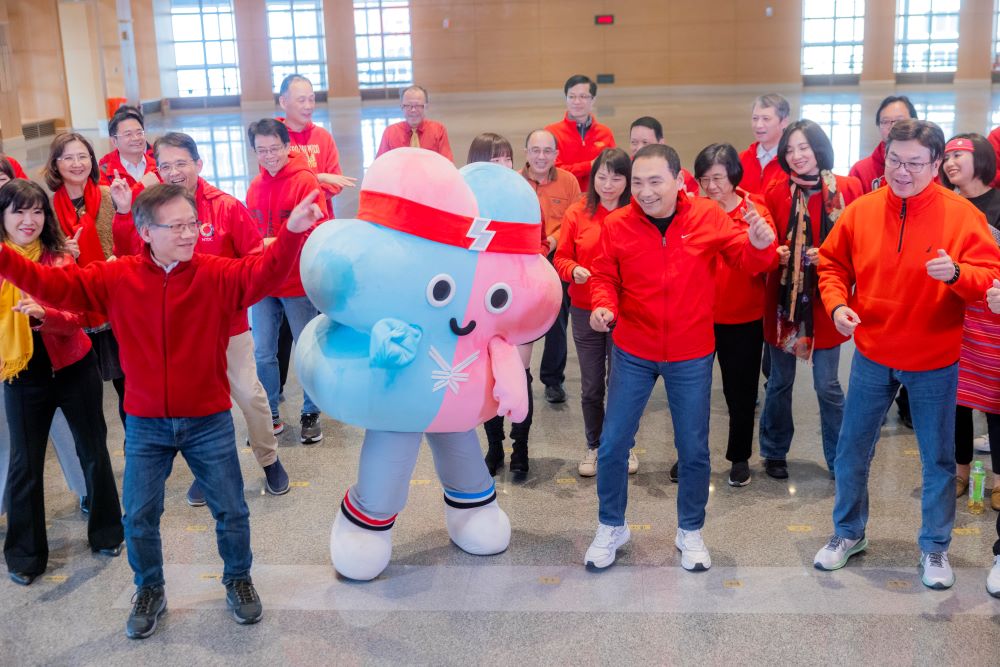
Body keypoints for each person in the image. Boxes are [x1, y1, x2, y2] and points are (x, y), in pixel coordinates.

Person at [0, 182, 324, 637]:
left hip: (208, 419)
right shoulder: (116, 278)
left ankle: (238, 579)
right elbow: (53, 283)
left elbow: (264, 274)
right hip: (147, 423)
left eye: (193, 224)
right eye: (177, 226)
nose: (190, 234)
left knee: (231, 510)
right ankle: (149, 588)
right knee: (139, 515)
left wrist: (291, 231)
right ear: (147, 232)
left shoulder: (214, 273)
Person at [814, 119, 1000, 590]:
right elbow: (833, 264)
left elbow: (988, 278)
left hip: (936, 357)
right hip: (873, 352)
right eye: (894, 160)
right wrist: (837, 305)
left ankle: (935, 548)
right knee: (852, 449)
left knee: (938, 459)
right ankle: (847, 533)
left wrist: (957, 273)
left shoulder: (961, 215)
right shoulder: (862, 210)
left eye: (915, 163)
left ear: (936, 164)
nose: (902, 171)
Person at [583, 144, 776, 572]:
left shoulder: (707, 216)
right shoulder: (617, 224)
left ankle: (690, 530)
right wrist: (604, 307)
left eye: (655, 182)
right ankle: (611, 525)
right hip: (633, 350)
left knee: (693, 450)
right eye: (637, 183)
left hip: (690, 353)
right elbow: (603, 275)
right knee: (613, 445)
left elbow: (745, 259)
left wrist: (762, 246)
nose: (645, 192)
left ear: (677, 180)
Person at [111, 131, 291, 504]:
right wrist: (125, 214)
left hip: (229, 327)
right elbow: (133, 257)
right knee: (196, 408)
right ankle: (206, 471)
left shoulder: (225, 206)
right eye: (165, 166)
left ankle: (269, 459)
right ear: (155, 170)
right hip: (182, 332)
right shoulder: (153, 211)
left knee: (249, 395)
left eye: (181, 163)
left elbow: (256, 260)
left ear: (198, 164)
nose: (174, 172)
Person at [0, 179, 123, 586]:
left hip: (73, 368)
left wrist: (43, 316)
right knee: (25, 465)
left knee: (92, 451)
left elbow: (78, 317)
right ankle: (24, 555)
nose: (29, 220)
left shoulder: (57, 260)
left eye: (36, 211)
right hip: (22, 377)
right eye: (18, 211)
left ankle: (107, 532)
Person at [758, 120, 862, 480]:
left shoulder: (847, 188)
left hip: (828, 299)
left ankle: (839, 457)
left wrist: (830, 255)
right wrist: (778, 253)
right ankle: (773, 452)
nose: (797, 156)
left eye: (803, 148)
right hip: (786, 301)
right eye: (789, 150)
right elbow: (764, 245)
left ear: (819, 148)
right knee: (780, 382)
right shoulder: (776, 191)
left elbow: (859, 244)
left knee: (828, 385)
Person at [694, 143, 777, 487]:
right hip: (697, 315)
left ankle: (739, 457)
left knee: (740, 393)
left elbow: (769, 260)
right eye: (705, 179)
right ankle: (690, 456)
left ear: (733, 175)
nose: (711, 186)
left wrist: (761, 244)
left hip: (743, 316)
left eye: (718, 178)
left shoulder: (754, 209)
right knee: (691, 392)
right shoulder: (694, 209)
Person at [553, 147, 636, 477]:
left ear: (627, 180)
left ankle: (623, 446)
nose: (608, 183)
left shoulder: (636, 213)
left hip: (625, 311)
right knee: (591, 386)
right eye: (602, 176)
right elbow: (561, 258)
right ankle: (594, 446)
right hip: (585, 309)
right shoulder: (577, 213)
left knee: (623, 382)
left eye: (616, 177)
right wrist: (573, 271)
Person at [246, 119, 329, 444]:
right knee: (263, 351)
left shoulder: (304, 181)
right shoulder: (255, 186)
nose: (269, 156)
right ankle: (270, 415)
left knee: (305, 347)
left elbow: (313, 230)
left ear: (287, 147)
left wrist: (272, 243)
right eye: (261, 150)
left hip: (296, 282)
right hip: (265, 283)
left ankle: (311, 412)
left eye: (274, 149)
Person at [43, 133, 126, 427]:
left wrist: (125, 210)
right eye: (69, 157)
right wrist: (61, 254)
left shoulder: (108, 195)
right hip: (75, 306)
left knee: (128, 387)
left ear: (92, 160)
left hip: (112, 300)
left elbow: (131, 241)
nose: (77, 164)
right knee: (84, 395)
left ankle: (138, 447)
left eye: (83, 156)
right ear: (56, 164)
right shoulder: (48, 208)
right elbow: (41, 259)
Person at [939, 133, 1000, 510]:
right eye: (946, 157)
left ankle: (998, 480)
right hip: (954, 313)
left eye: (958, 154)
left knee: (996, 402)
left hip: (994, 315)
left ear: (982, 159)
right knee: (955, 401)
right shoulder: (945, 204)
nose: (950, 163)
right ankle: (959, 472)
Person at [468, 133, 534, 475]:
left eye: (507, 159)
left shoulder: (522, 197)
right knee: (488, 375)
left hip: (517, 297)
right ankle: (494, 447)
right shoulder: (465, 202)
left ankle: (520, 448)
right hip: (482, 301)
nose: (504, 166)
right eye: (495, 160)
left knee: (520, 373)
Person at [520, 129, 581, 405]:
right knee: (517, 319)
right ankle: (519, 375)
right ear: (526, 153)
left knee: (557, 319)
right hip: (521, 259)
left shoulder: (568, 182)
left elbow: (575, 221)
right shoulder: (514, 182)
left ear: (556, 155)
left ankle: (553, 380)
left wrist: (553, 240)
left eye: (547, 151)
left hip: (555, 257)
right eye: (535, 150)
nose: (541, 156)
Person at [277, 73, 357, 213]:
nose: (308, 106)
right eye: (301, 100)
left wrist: (307, 195)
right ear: (284, 102)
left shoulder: (323, 136)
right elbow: (276, 183)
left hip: (322, 219)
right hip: (287, 220)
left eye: (311, 99)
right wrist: (319, 180)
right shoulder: (273, 138)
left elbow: (336, 182)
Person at [545, 74, 615, 192]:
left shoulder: (605, 133)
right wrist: (590, 166)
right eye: (571, 97)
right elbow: (553, 171)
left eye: (583, 96)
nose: (577, 102)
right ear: (565, 98)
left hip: (597, 198)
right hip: (563, 197)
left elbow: (612, 169)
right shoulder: (551, 133)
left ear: (593, 100)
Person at [849, 95, 917, 194]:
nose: (893, 126)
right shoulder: (860, 170)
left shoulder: (927, 165)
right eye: (885, 122)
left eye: (900, 121)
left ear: (915, 122)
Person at [376, 85, 453, 160]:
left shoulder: (438, 131)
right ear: (401, 107)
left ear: (426, 107)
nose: (413, 110)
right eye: (408, 106)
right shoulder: (390, 133)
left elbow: (447, 164)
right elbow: (380, 165)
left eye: (418, 105)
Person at [628, 116, 698, 193]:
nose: (639, 148)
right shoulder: (622, 174)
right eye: (634, 142)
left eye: (645, 143)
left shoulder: (681, 176)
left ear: (661, 143)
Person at [739, 94, 791, 195]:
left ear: (784, 122)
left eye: (766, 119)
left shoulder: (792, 161)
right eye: (755, 118)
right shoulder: (740, 160)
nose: (758, 125)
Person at [98, 105, 159, 190]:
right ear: (114, 141)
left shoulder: (158, 165)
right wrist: (142, 186)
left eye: (139, 133)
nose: (136, 138)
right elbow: (109, 202)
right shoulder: (105, 171)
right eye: (128, 134)